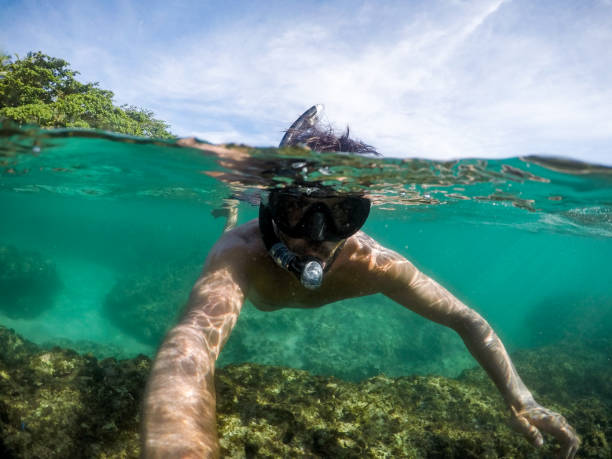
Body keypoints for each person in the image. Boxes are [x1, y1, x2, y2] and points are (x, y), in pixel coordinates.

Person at [142, 106, 580, 458]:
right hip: (244, 252)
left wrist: (523, 399)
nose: (315, 238)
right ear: (272, 207)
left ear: (360, 218)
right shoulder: (242, 252)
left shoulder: (373, 264)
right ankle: (233, 210)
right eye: (296, 212)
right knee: (227, 238)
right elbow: (190, 343)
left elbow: (466, 320)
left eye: (341, 216)